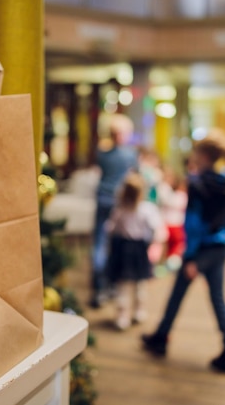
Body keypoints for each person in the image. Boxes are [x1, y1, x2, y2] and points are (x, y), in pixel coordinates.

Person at [142, 133, 225, 373]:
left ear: (204, 156)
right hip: (219, 246)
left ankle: (161, 337)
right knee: (217, 298)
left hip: (201, 250)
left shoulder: (198, 184)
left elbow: (195, 222)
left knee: (179, 293)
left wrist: (192, 256)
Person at [106, 172, 166, 330]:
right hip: (139, 249)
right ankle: (139, 311)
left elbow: (110, 228)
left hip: (124, 249)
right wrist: (152, 243)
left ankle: (123, 316)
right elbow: (156, 230)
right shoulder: (147, 209)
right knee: (140, 283)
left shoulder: (120, 210)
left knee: (124, 286)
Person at [91, 114, 138, 308]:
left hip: (103, 198)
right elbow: (135, 177)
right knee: (116, 244)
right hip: (119, 203)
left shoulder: (102, 153)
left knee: (99, 244)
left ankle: (98, 287)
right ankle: (111, 285)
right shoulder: (130, 155)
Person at [158, 167, 187, 271]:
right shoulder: (168, 191)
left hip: (174, 224)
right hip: (170, 223)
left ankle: (169, 265)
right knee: (170, 246)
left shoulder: (178, 195)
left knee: (174, 247)